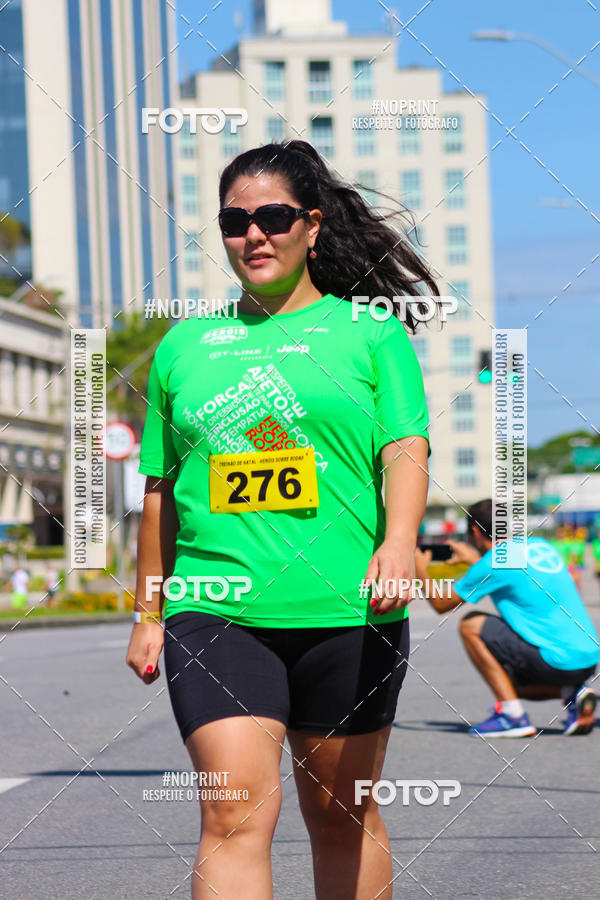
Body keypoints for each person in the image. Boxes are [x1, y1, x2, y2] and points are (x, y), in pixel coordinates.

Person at [126, 139, 437, 898]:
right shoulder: (185, 346)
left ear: (312, 226)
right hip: (218, 611)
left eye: (272, 215)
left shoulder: (369, 332)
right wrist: (146, 611)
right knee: (231, 815)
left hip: (346, 608)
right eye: (235, 221)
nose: (253, 234)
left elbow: (405, 447)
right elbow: (160, 492)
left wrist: (399, 543)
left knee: (341, 815)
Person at [414, 499, 599, 738]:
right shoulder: (539, 544)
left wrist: (421, 570)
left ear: (475, 531)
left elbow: (441, 604)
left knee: (471, 624)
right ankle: (571, 693)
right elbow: (512, 573)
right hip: (587, 659)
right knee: (507, 683)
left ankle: (512, 716)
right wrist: (475, 561)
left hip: (556, 661)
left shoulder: (491, 565)